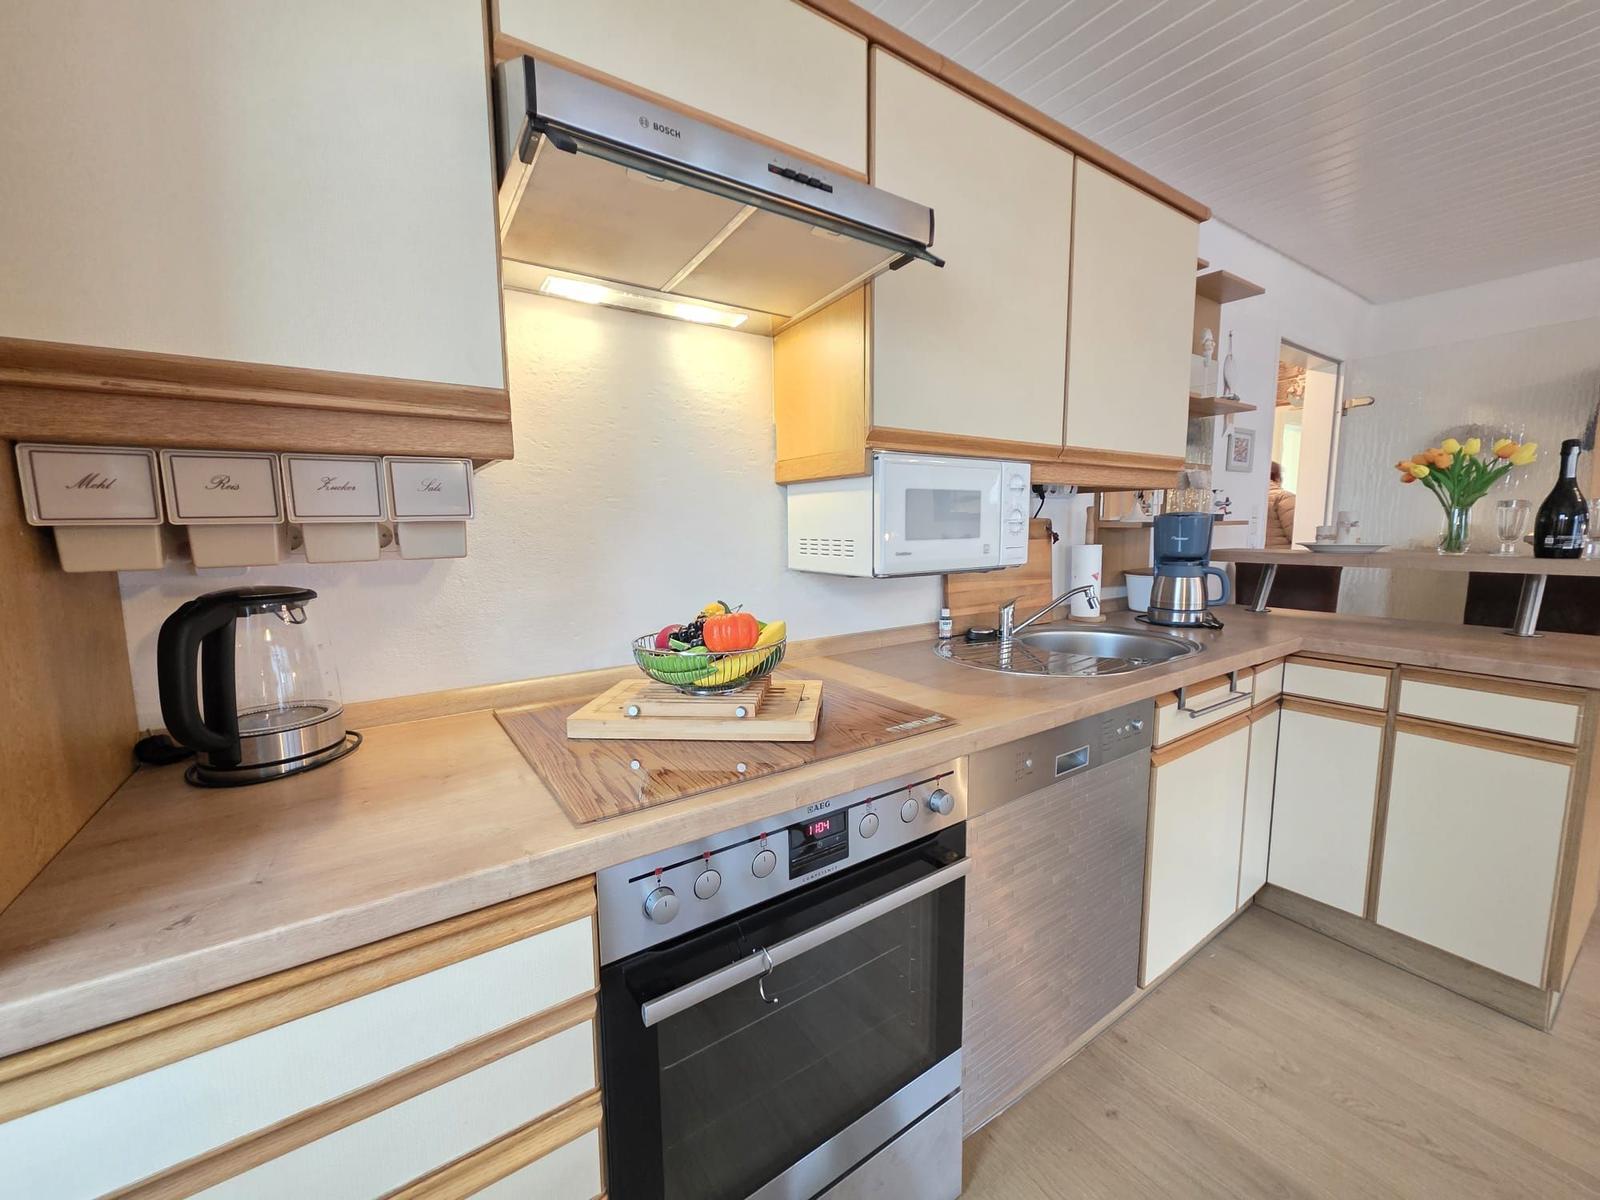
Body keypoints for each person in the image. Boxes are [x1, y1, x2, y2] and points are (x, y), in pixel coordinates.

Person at [1267, 461, 1296, 548]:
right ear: (1278, 477)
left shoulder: (1250, 496)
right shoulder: (1284, 497)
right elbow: (1295, 533)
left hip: (1252, 557)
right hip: (1281, 557)